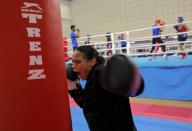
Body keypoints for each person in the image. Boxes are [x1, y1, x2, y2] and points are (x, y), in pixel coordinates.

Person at [67, 45, 144, 131]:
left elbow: (136, 88)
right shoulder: (92, 80)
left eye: (78, 62)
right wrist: (73, 85)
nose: (73, 66)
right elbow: (87, 104)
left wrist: (132, 79)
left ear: (92, 61)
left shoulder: (99, 73)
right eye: (73, 62)